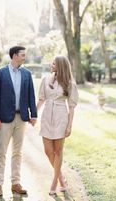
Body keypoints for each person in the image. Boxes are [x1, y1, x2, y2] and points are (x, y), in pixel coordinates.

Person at [0, 46, 37, 197]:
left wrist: (34, 115)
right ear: (14, 56)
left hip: (22, 118)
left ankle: (15, 183)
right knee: (1, 152)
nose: (24, 57)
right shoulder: (0, 73)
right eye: (22, 55)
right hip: (4, 119)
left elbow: (31, 95)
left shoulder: (27, 74)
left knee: (17, 152)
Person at [37, 56, 78, 195]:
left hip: (61, 117)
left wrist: (69, 126)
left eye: (53, 63)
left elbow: (71, 107)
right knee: (48, 151)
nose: (51, 64)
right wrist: (33, 115)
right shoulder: (45, 79)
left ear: (60, 65)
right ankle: (61, 177)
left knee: (58, 151)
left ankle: (55, 182)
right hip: (47, 116)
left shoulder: (70, 83)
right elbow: (41, 99)